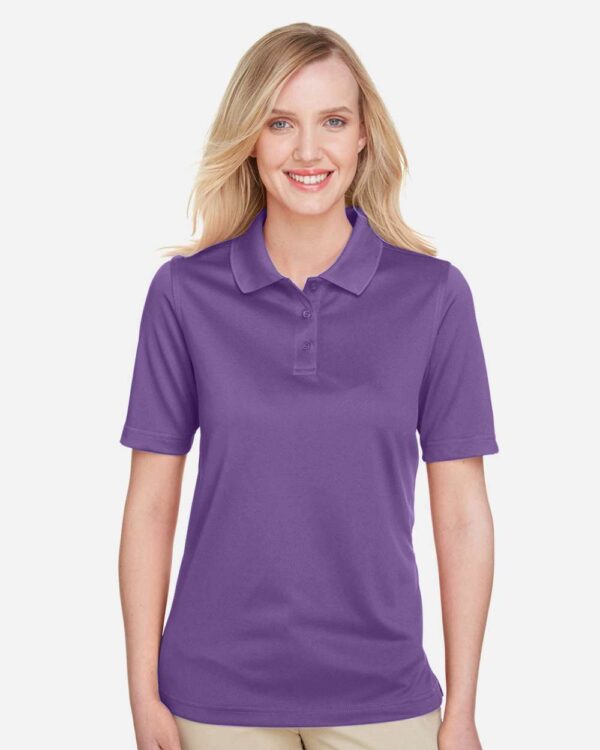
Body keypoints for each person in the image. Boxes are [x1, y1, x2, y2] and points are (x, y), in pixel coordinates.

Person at [118, 22, 499, 750]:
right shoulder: (184, 294)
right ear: (249, 139)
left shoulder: (434, 296)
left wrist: (462, 712)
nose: (307, 151)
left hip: (383, 692)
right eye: (280, 123)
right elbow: (151, 506)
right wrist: (142, 693)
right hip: (211, 696)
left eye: (333, 121)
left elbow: (461, 516)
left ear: (364, 136)